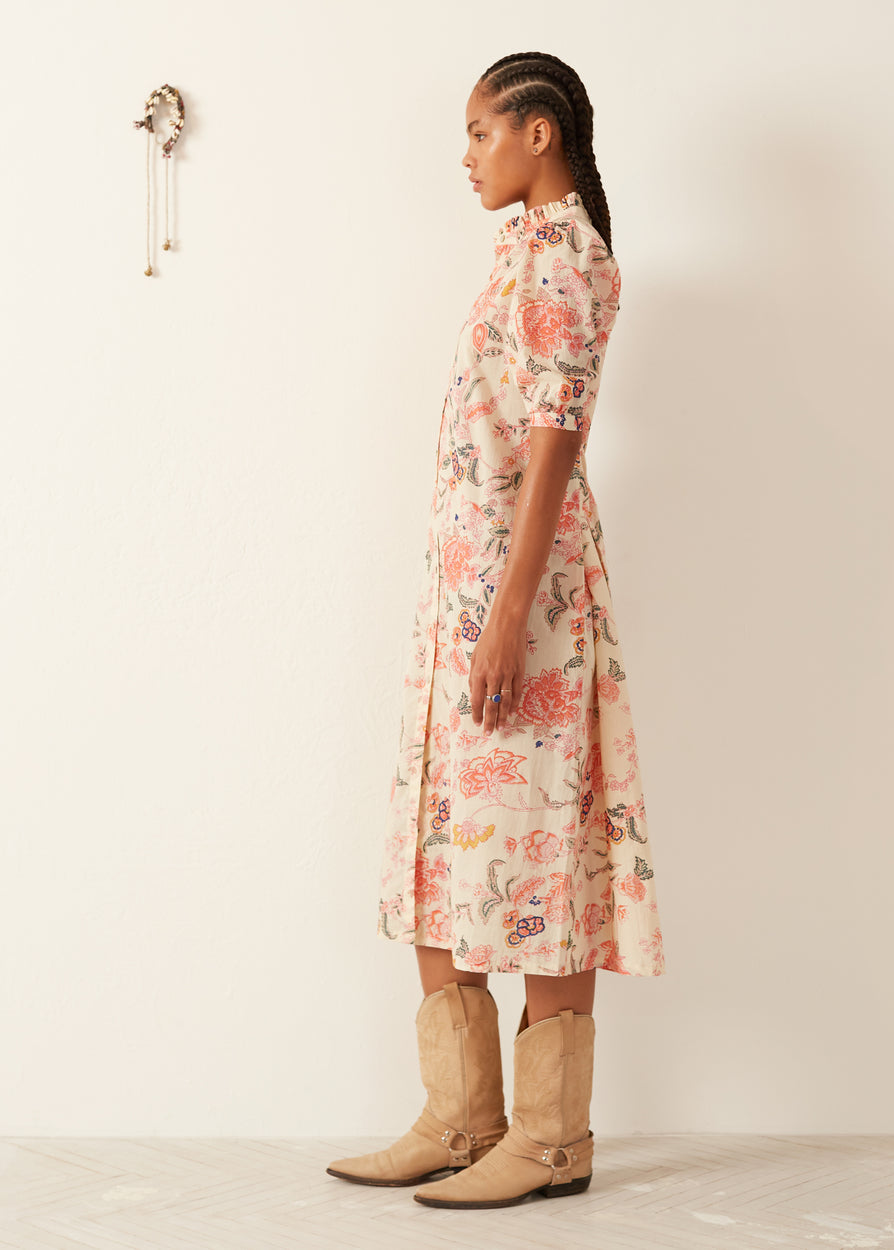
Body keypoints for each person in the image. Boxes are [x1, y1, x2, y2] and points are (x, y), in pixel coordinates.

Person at [327, 51, 666, 1209]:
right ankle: (464, 1114)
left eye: (478, 133)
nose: (465, 155)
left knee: (535, 854)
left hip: (525, 604)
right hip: (470, 594)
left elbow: (558, 437)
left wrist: (512, 607)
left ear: (536, 133)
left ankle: (551, 1138)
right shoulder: (518, 250)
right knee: (444, 843)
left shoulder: (567, 253)